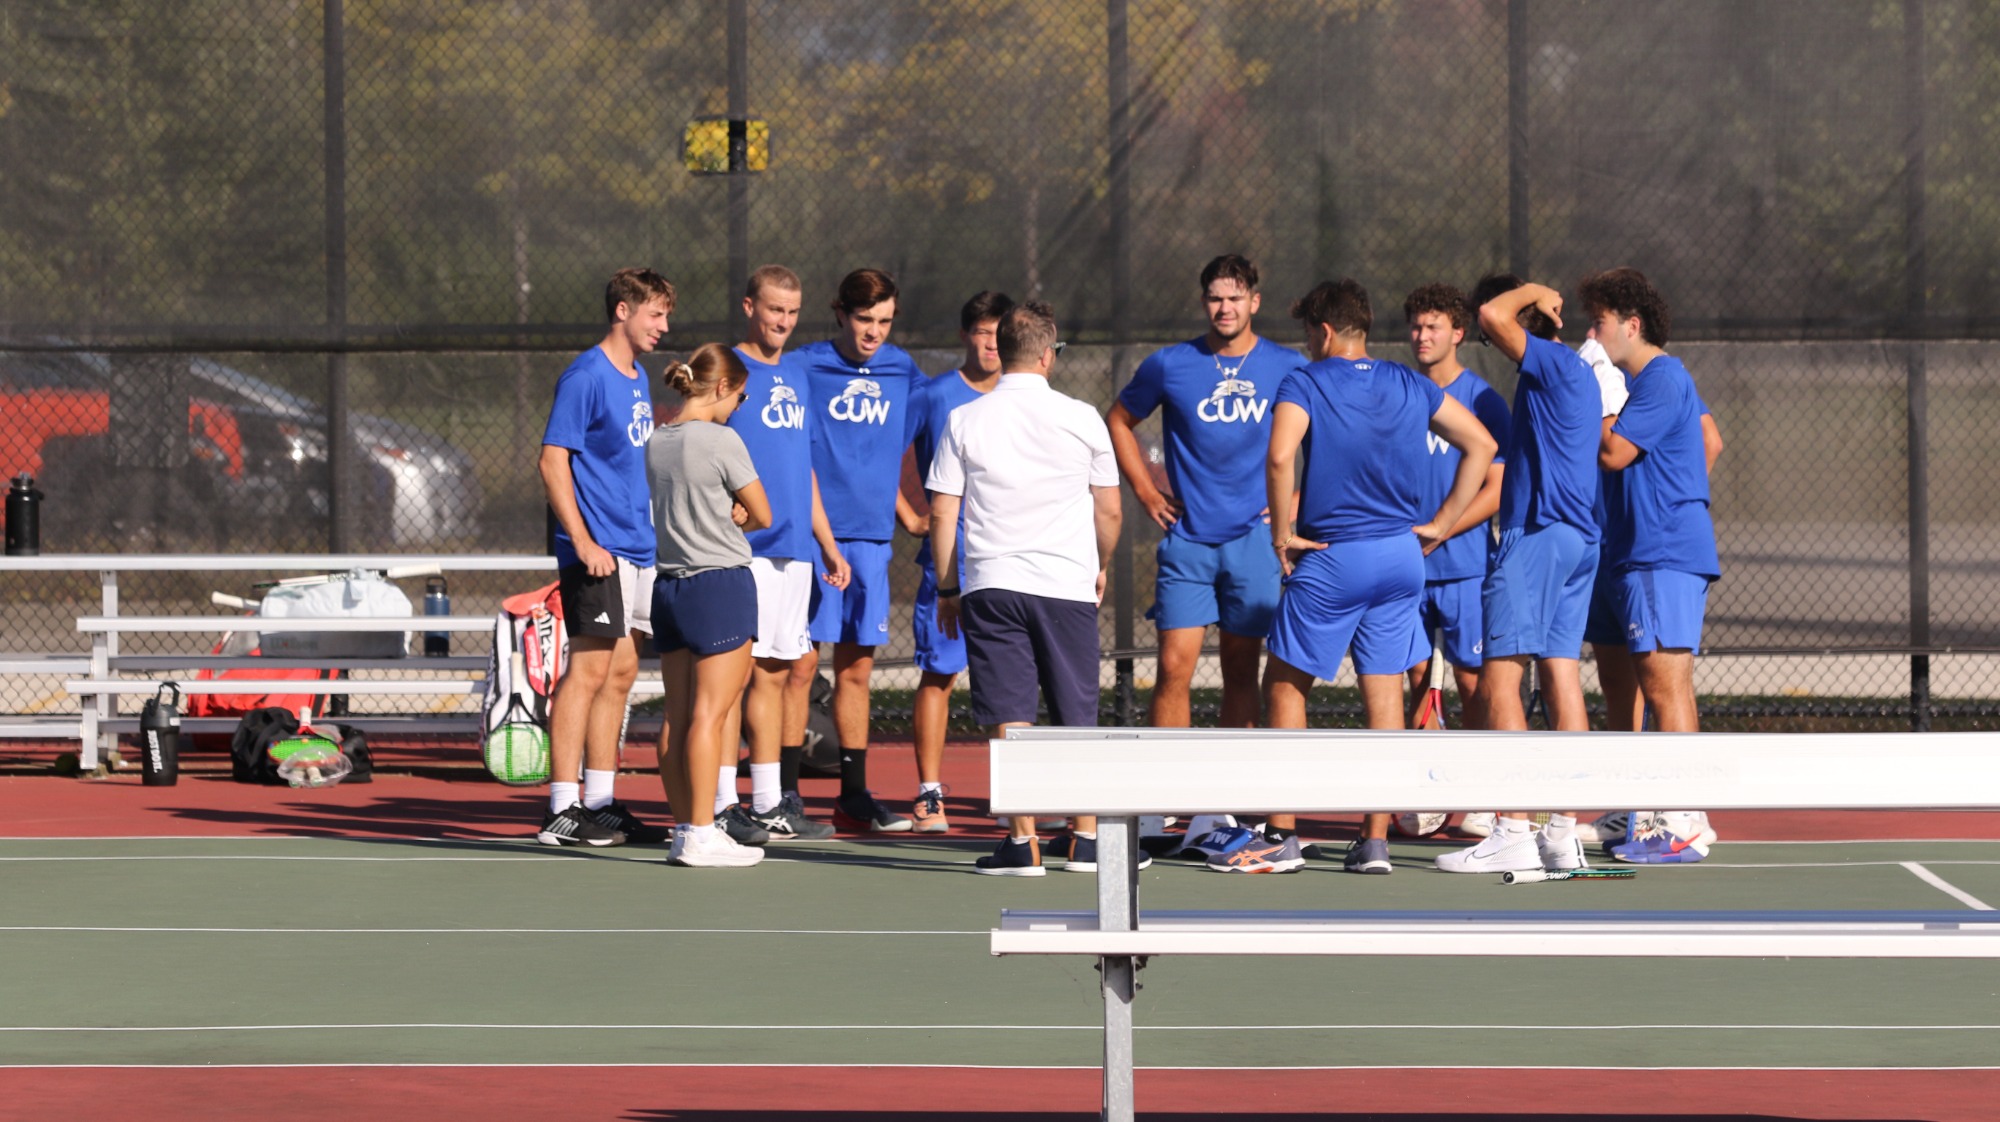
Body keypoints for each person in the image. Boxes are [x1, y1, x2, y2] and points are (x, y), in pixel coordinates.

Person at [1257, 279, 1496, 876]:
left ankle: (1281, 836)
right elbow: (1481, 443)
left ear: (1326, 331)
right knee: (1384, 694)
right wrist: (1441, 524)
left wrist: (1281, 534)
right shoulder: (1409, 382)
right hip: (1401, 561)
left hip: (1336, 557)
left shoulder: (1303, 381)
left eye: (1310, 333)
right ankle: (1374, 842)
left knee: (1284, 686)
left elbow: (1281, 456)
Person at [925, 301, 1128, 876]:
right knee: (1076, 708)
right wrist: (1099, 564)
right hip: (1066, 582)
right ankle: (1084, 839)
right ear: (1047, 354)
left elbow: (943, 512)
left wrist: (947, 587)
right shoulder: (1084, 417)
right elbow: (1109, 510)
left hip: (992, 584)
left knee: (1008, 712)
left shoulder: (965, 419)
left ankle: (1024, 843)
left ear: (1002, 352)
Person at [1434, 274, 1605, 875]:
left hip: (1539, 537)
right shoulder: (1570, 372)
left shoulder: (1555, 363)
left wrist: (1530, 288)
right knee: (1560, 674)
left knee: (1500, 678)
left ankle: (1511, 829)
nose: (1487, 338)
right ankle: (1561, 833)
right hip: (1579, 540)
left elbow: (1492, 313)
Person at [1106, 254, 1286, 735]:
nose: (1224, 308)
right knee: (1172, 667)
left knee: (1242, 673)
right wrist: (1146, 491)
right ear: (1203, 302)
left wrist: (1296, 507)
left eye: (1235, 298)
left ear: (1254, 301)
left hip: (1255, 541)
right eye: (1215, 298)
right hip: (1187, 542)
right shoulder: (1170, 364)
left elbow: (1320, 439)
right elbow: (1118, 421)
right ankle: (1167, 801)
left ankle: (1232, 803)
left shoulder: (1289, 366)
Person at [1582, 266, 1723, 864]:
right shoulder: (1646, 384)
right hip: (1627, 550)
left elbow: (1613, 451)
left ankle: (1685, 818)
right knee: (1626, 685)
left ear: (1631, 325)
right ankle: (1635, 804)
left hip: (1659, 554)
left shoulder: (1662, 376)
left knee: (1666, 683)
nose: (1592, 332)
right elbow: (1709, 442)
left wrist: (1669, 509)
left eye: (1600, 321)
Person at [535, 267, 675, 848]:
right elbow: (552, 461)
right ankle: (561, 808)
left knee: (619, 676)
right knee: (588, 672)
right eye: (655, 314)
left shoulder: (637, 375)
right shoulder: (586, 375)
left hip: (637, 548)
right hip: (597, 554)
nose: (664, 325)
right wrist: (584, 542)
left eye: (666, 314)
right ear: (623, 310)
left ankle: (599, 803)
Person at [796, 268, 927, 832]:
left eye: (884, 321)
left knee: (855, 672)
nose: (874, 332)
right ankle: (781, 796)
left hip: (871, 541)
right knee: (797, 669)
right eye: (864, 319)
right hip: (809, 540)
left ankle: (852, 797)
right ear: (841, 314)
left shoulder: (903, 370)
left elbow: (894, 452)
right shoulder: (804, 366)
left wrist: (911, 516)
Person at [728, 265, 848, 843]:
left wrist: (826, 542)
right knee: (733, 678)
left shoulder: (798, 375)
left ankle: (772, 801)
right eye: (775, 310)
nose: (784, 321)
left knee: (778, 672)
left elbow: (803, 467)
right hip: (742, 550)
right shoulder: (726, 369)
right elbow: (694, 438)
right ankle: (723, 803)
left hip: (795, 552)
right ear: (750, 306)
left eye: (793, 312)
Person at [649, 343, 771, 867]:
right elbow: (763, 512)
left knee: (677, 718)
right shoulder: (723, 439)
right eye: (739, 397)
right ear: (722, 387)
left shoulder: (657, 440)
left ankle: (686, 829)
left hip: (669, 589)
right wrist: (739, 514)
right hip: (719, 586)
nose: (738, 407)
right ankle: (702, 831)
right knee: (710, 716)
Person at [900, 290, 1015, 832]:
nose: (991, 344)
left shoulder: (1023, 396)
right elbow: (884, 455)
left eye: (1000, 333)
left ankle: (1017, 795)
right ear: (966, 336)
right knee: (939, 675)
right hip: (949, 563)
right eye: (983, 332)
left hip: (1011, 562)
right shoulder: (933, 395)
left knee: (1009, 679)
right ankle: (929, 795)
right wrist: (910, 515)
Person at [1400, 283, 1510, 731]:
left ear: (1459, 333)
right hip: (1406, 566)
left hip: (1466, 566)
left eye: (1433, 327)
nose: (1422, 336)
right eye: (1415, 327)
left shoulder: (1483, 400)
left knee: (1472, 681)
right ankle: (1424, 794)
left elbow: (1498, 488)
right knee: (1418, 679)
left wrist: (1441, 530)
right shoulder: (1398, 394)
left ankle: (1480, 793)